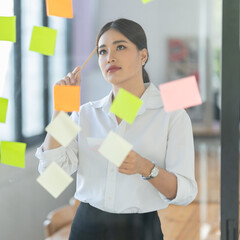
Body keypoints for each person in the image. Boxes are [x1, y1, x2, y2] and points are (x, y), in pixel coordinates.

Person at [35, 18, 198, 240]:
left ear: (143, 55)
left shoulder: (171, 115)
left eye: (120, 47)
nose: (110, 56)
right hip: (86, 228)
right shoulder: (86, 114)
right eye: (102, 51)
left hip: (140, 231)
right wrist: (60, 110)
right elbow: (52, 173)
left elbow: (185, 193)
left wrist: (145, 167)